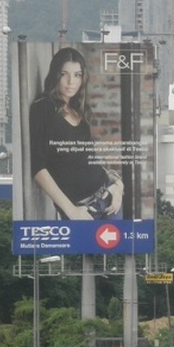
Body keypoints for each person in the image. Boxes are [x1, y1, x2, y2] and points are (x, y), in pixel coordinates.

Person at [29, 47, 123, 220]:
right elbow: (38, 167)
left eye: (77, 75)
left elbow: (85, 157)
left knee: (125, 247)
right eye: (64, 74)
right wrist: (71, 210)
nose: (71, 81)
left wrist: (118, 185)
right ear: (55, 75)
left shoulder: (77, 109)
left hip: (108, 197)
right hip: (82, 210)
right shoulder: (43, 107)